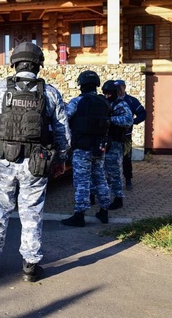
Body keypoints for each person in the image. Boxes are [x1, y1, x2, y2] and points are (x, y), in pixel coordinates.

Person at [0, 42, 71, 282]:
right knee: (32, 214)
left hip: (3, 161)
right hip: (36, 163)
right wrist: (61, 159)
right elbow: (63, 134)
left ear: (15, 63)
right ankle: (30, 266)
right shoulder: (50, 93)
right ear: (38, 65)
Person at [61, 70, 112, 226]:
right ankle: (104, 212)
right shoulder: (104, 102)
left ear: (81, 85)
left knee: (82, 181)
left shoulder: (77, 102)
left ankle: (79, 215)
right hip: (99, 147)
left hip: (82, 148)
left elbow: (63, 118)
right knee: (100, 179)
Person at [102, 80, 133, 210]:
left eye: (110, 93)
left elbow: (128, 120)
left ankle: (118, 198)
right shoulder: (103, 103)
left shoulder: (121, 104)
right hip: (103, 143)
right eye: (106, 94)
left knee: (114, 172)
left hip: (114, 143)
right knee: (101, 173)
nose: (108, 96)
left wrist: (109, 120)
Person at [114, 80, 146, 190]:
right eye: (116, 88)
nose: (118, 90)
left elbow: (143, 113)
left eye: (119, 87)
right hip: (112, 136)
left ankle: (128, 180)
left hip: (125, 136)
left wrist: (134, 121)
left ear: (124, 87)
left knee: (126, 158)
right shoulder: (111, 100)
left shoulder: (131, 101)